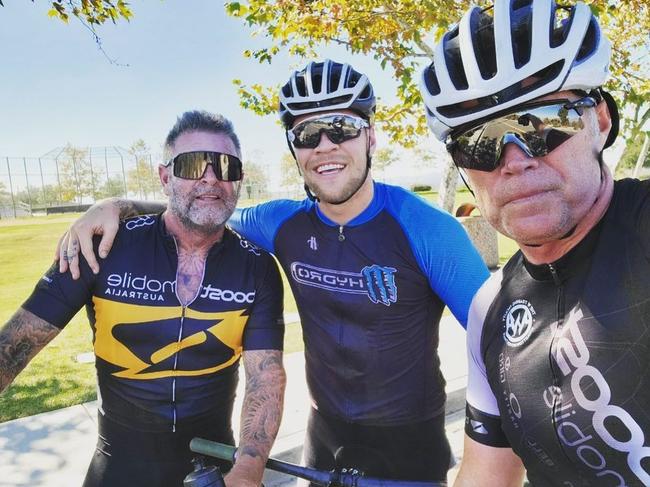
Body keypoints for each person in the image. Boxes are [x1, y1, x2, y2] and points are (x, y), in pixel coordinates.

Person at [55, 60, 490, 483]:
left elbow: (500, 349)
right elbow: (203, 210)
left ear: (371, 136)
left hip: (410, 443)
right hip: (324, 437)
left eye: (341, 127)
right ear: (294, 149)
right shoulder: (281, 223)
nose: (324, 145)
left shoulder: (429, 230)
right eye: (306, 134)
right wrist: (111, 206)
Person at [419, 1, 649, 485]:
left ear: (600, 121)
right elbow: (486, 474)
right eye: (479, 141)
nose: (514, 160)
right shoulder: (489, 308)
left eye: (544, 121)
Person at [0, 110, 286, 487]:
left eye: (225, 167)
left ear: (240, 179)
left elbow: (265, 379)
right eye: (193, 164)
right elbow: (13, 346)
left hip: (215, 466)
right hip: (118, 465)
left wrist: (248, 470)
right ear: (165, 177)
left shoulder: (258, 267)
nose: (211, 178)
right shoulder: (102, 246)